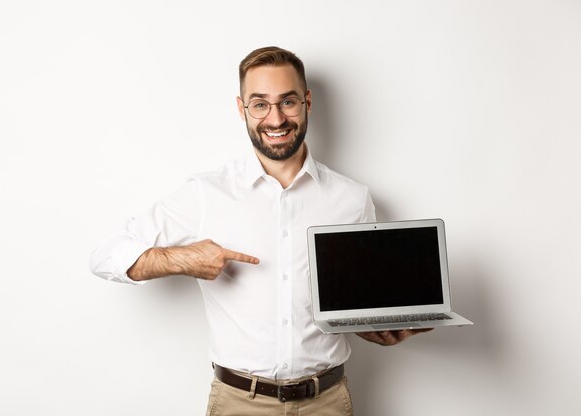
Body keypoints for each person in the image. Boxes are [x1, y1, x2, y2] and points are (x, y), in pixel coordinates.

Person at [90, 46, 430, 416]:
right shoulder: (206, 194)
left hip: (327, 402)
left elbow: (357, 297)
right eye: (260, 104)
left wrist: (375, 325)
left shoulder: (352, 199)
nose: (276, 118)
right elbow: (106, 255)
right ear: (242, 109)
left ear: (307, 103)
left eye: (288, 102)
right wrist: (183, 258)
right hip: (239, 403)